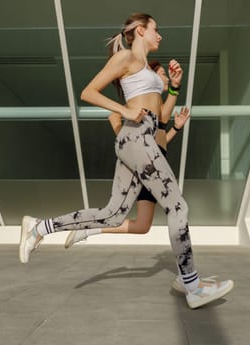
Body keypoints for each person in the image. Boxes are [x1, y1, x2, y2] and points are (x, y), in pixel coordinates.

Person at [19, 12, 234, 309]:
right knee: (177, 205)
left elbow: (161, 117)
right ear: (140, 31)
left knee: (114, 215)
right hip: (136, 138)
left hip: (142, 139)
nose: (160, 36)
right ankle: (193, 286)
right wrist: (126, 111)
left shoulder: (145, 67)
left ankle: (40, 228)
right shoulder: (127, 59)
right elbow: (88, 92)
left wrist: (173, 85)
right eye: (156, 30)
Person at [63, 60, 189, 248]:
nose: (165, 78)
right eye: (161, 74)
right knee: (174, 208)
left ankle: (88, 229)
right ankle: (188, 276)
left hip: (155, 158)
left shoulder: (156, 104)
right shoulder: (144, 104)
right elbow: (117, 121)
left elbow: (161, 141)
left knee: (143, 225)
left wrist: (176, 129)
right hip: (144, 162)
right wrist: (130, 146)